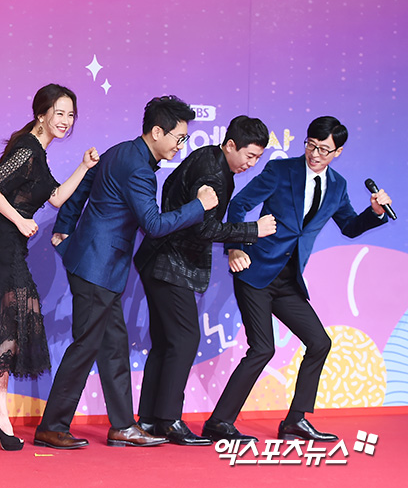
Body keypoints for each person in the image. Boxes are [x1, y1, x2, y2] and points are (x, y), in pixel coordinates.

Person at [34, 95, 219, 450]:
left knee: (114, 347)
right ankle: (52, 425)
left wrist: (65, 224)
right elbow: (153, 224)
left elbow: (87, 182)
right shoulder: (139, 168)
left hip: (101, 265)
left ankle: (122, 425)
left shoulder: (122, 150)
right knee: (86, 346)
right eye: (178, 137)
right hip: (97, 267)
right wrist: (200, 206)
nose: (181, 145)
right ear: (156, 132)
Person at [206, 116, 392, 442]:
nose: (315, 154)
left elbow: (348, 226)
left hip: (289, 280)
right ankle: (219, 422)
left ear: (338, 152)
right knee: (262, 348)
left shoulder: (337, 186)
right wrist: (235, 249)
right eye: (311, 145)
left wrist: (374, 212)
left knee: (320, 342)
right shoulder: (281, 171)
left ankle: (295, 420)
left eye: (324, 149)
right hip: (256, 271)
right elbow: (239, 205)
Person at [0, 84, 99, 451]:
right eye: (59, 113)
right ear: (42, 113)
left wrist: (84, 167)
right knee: (17, 321)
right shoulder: (28, 147)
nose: (65, 120)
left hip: (9, 247)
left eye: (70, 114)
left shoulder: (38, 152)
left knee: (5, 327)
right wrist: (19, 220)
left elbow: (58, 197)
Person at [134, 115, 276, 446]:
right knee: (183, 340)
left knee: (167, 343)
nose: (251, 165)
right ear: (231, 145)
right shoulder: (214, 173)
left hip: (163, 260)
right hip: (171, 264)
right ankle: (168, 420)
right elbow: (204, 227)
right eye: (249, 156)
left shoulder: (208, 158)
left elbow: (175, 194)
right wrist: (251, 230)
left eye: (257, 158)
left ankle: (154, 420)